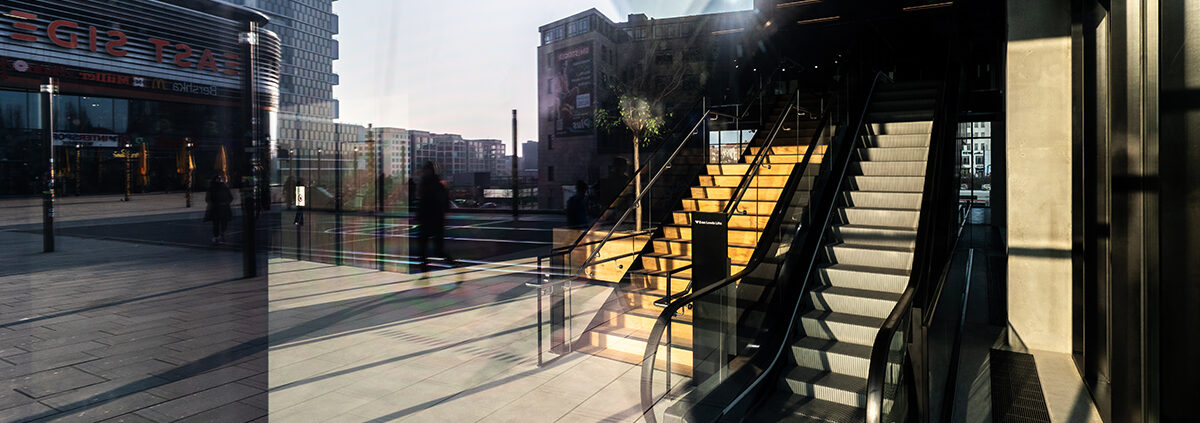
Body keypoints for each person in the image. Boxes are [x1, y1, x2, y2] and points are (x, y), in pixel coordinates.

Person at [415, 162, 453, 272]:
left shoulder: (425, 185)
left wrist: (419, 215)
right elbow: (446, 204)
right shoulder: (438, 185)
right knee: (435, 249)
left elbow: (423, 203)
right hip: (436, 220)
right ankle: (451, 263)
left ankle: (424, 269)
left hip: (429, 220)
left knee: (424, 247)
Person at [204, 175, 234, 244]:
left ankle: (219, 234)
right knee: (218, 223)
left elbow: (230, 197)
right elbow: (208, 199)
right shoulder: (219, 188)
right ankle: (218, 235)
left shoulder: (219, 187)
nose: (219, 180)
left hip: (219, 207)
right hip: (219, 208)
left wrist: (225, 202)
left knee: (220, 223)